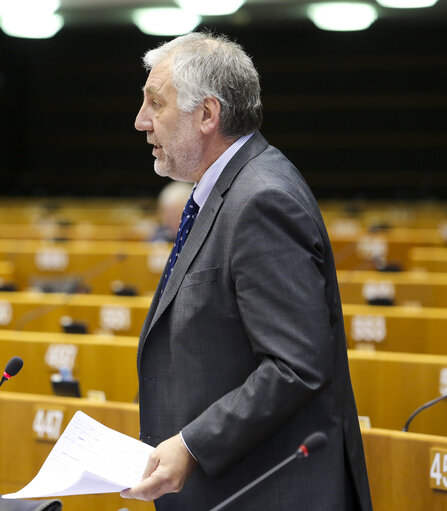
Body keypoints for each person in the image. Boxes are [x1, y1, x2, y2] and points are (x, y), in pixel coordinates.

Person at [121, 32, 372, 510]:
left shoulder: (262, 199)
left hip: (267, 491)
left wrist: (193, 444)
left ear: (207, 115)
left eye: (155, 103)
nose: (141, 121)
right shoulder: (225, 191)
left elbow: (294, 366)